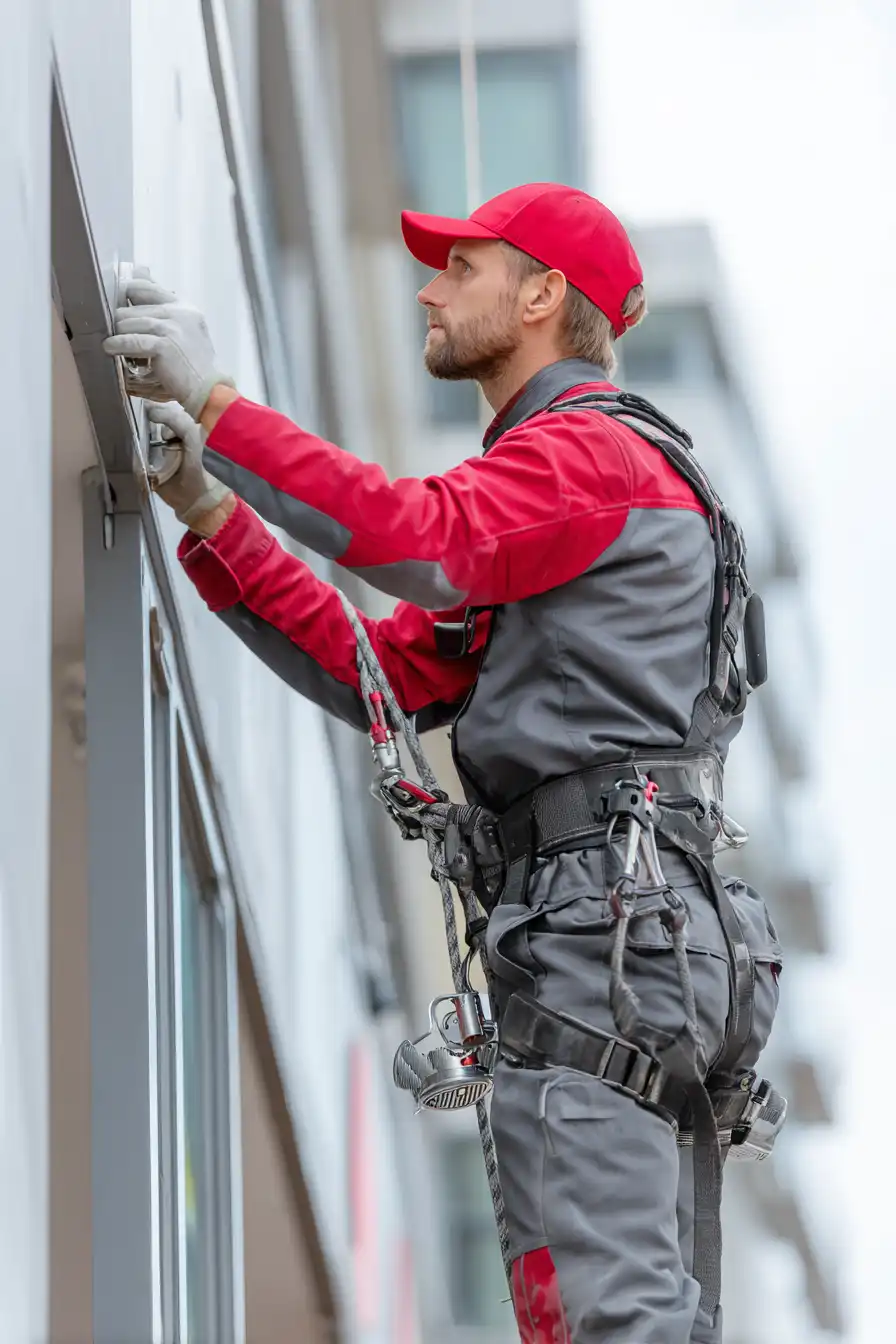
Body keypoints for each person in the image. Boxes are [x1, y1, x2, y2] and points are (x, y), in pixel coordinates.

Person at [105, 182, 783, 1344]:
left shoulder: (585, 456)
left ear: (539, 295)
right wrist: (213, 511)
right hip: (643, 927)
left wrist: (218, 407)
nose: (428, 285)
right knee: (634, 1317)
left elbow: (415, 537)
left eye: (460, 267)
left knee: (607, 1322)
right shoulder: (581, 492)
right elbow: (384, 672)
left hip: (603, 928)